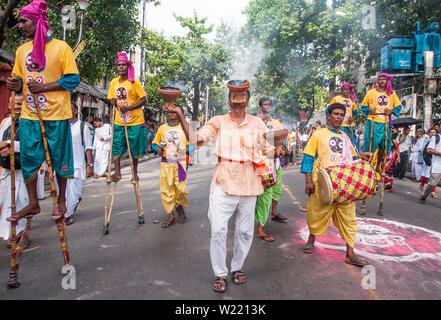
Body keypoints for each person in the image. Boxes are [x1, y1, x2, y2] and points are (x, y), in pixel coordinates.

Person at [170, 80, 281, 293]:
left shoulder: (258, 123)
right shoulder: (218, 121)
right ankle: (220, 272)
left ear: (247, 101)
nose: (238, 102)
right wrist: (181, 115)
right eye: (234, 97)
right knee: (219, 230)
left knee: (246, 232)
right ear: (228, 100)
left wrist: (278, 149)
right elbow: (194, 139)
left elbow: (269, 149)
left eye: (242, 98)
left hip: (250, 182)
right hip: (224, 181)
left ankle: (237, 267)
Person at [6, 0, 80, 222]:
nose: (19, 25)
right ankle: (33, 203)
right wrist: (14, 84)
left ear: (37, 22)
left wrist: (45, 87)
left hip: (56, 114)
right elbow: (20, 79)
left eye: (23, 21)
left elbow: (72, 79)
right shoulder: (21, 51)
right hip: (30, 114)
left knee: (60, 159)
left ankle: (62, 201)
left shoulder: (61, 48)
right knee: (27, 156)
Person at [301, 103, 372, 267]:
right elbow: (308, 158)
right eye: (336, 114)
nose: (339, 117)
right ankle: (311, 240)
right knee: (315, 214)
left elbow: (352, 158)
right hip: (323, 184)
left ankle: (350, 253)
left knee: (349, 219)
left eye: (342, 114)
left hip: (344, 186)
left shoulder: (346, 137)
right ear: (328, 116)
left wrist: (362, 156)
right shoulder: (318, 135)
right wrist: (308, 181)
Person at [107, 52, 147, 181]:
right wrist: (112, 102)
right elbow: (112, 98)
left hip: (135, 121)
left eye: (123, 65)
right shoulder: (113, 82)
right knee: (116, 144)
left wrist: (129, 108)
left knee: (134, 148)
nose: (121, 67)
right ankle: (117, 172)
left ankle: (134, 173)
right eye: (118, 65)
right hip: (119, 120)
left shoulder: (134, 81)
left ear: (127, 66)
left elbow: (144, 100)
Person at [254, 97, 287, 242]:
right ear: (260, 107)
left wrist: (282, 148)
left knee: (277, 190)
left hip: (275, 163)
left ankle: (273, 213)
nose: (267, 107)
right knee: (263, 196)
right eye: (264, 105)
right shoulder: (256, 122)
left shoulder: (276, 123)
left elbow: (281, 141)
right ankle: (259, 229)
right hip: (262, 163)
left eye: (269, 104)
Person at [0, 95, 30, 247]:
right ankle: (10, 234)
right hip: (7, 170)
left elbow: (29, 145)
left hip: (23, 169)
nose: (18, 106)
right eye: (15, 104)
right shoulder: (6, 122)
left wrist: (9, 145)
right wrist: (3, 148)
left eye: (20, 104)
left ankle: (21, 234)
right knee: (8, 203)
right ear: (9, 105)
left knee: (22, 202)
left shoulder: (29, 122)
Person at [151, 106, 189, 227]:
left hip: (180, 163)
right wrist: (158, 149)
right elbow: (155, 143)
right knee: (166, 189)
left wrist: (184, 152)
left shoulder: (185, 127)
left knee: (181, 190)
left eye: (175, 111)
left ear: (180, 113)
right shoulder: (162, 128)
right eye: (170, 111)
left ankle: (179, 207)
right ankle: (171, 215)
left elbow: (192, 144)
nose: (172, 113)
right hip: (166, 163)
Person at [360, 73, 402, 164]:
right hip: (373, 121)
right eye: (380, 79)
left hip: (385, 122)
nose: (382, 81)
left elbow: (398, 107)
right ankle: (368, 165)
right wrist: (369, 111)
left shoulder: (392, 93)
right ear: (377, 81)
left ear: (387, 81)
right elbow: (363, 106)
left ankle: (379, 166)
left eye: (384, 79)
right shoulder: (371, 92)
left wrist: (391, 111)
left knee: (385, 147)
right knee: (370, 145)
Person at [63, 104, 93, 225]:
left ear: (75, 111)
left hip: (78, 165)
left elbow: (88, 147)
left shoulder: (82, 126)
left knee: (74, 191)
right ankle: (66, 209)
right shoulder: (60, 126)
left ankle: (68, 214)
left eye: (70, 109)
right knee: (63, 192)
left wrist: (89, 165)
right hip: (62, 165)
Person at [419, 128, 441, 203]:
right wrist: (440, 153)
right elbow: (429, 150)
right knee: (432, 184)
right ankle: (424, 195)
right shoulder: (436, 138)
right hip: (437, 165)